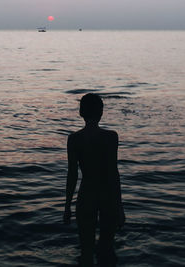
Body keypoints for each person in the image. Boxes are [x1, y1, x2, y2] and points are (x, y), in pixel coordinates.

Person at [63, 93, 125, 267]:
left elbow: (72, 175)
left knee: (86, 252)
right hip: (107, 196)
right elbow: (113, 174)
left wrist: (67, 206)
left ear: (81, 112)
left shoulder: (74, 139)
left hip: (86, 195)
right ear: (101, 113)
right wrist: (120, 207)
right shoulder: (111, 137)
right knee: (107, 250)